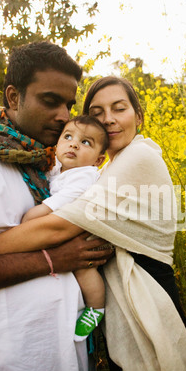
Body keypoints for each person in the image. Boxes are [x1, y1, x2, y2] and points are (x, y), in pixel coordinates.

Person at [0, 76, 186, 371]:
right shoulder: (106, 167)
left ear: (139, 115)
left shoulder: (139, 158)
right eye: (98, 112)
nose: (110, 119)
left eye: (120, 108)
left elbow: (59, 227)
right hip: (125, 303)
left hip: (148, 297)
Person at [0, 42, 113, 371]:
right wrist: (56, 260)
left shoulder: (51, 164)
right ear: (13, 96)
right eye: (50, 101)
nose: (63, 117)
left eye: (68, 104)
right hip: (13, 361)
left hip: (60, 350)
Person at [22, 114, 109, 341]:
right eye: (68, 136)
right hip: (62, 226)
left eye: (85, 142)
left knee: (84, 269)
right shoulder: (58, 168)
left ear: (98, 160)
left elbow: (61, 201)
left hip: (82, 231)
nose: (74, 144)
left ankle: (96, 307)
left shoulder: (85, 175)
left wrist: (32, 216)